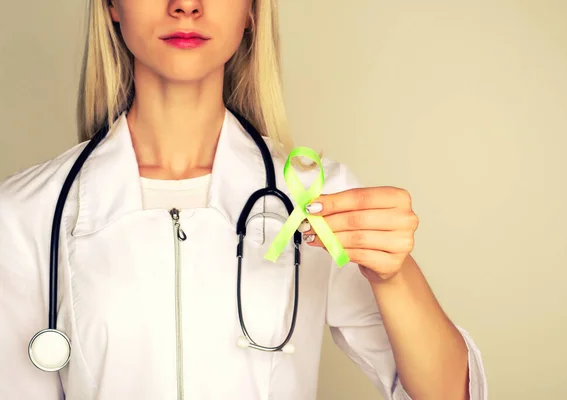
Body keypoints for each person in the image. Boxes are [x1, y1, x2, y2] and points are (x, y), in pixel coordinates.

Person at [0, 0, 487, 399]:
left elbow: (449, 396)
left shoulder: (313, 195)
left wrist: (395, 275)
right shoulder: (25, 213)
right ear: (111, 5)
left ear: (252, 10)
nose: (185, 6)